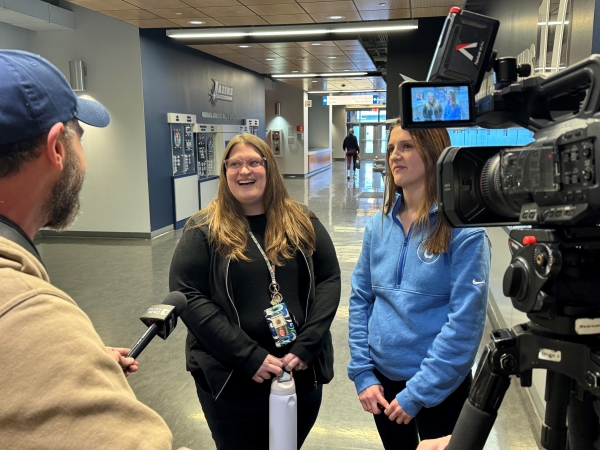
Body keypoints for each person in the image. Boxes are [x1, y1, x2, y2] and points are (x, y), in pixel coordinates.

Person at [0, 50, 176, 447]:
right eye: (79, 134)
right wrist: (49, 345)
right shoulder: (27, 313)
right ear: (57, 149)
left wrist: (73, 363)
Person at [169, 133, 341, 449]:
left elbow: (328, 279)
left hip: (298, 370)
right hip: (231, 378)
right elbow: (188, 295)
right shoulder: (202, 229)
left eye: (253, 162)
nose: (244, 171)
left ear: (269, 168)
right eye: (234, 164)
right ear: (224, 173)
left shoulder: (302, 220)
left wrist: (307, 345)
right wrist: (249, 356)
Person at [347, 119, 491, 450]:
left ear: (434, 153)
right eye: (391, 148)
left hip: (439, 387)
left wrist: (419, 393)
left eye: (407, 146)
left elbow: (465, 323)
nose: (395, 155)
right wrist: (363, 373)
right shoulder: (378, 225)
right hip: (381, 385)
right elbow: (360, 301)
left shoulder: (464, 231)